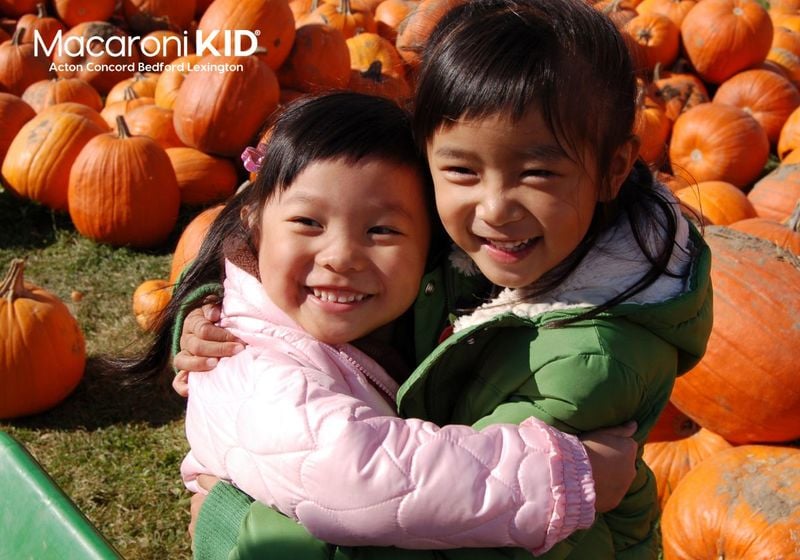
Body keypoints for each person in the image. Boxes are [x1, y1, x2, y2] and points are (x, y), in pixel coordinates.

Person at [175, 0, 713, 557]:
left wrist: (232, 527)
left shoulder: (591, 361)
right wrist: (209, 309)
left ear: (614, 168)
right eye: (461, 169)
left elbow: (439, 535)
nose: (496, 207)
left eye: (538, 172)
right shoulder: (460, 245)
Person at [141, 91, 641, 559]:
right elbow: (356, 472)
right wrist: (563, 476)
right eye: (307, 224)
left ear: (432, 245)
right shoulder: (251, 368)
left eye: (381, 230)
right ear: (253, 223)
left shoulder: (403, 311)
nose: (340, 257)